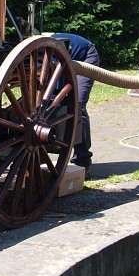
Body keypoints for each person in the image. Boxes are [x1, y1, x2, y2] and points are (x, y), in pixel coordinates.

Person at [52, 32, 99, 176]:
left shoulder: (43, 52)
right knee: (55, 102)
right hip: (62, 61)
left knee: (77, 105)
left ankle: (82, 159)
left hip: (85, 56)